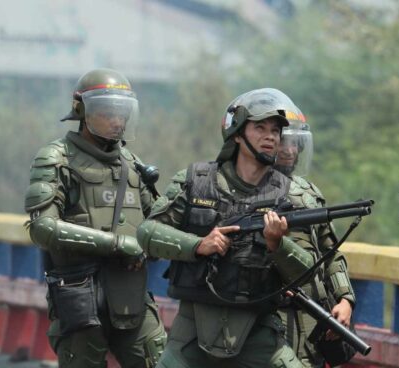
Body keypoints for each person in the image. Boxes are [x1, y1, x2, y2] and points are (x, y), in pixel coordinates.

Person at [136, 88, 320, 367]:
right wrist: (198, 245)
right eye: (260, 128)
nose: (271, 136)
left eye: (275, 130)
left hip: (259, 329)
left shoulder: (290, 194)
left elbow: (308, 271)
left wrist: (277, 245)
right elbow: (147, 233)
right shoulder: (195, 181)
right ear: (236, 133)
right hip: (193, 327)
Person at [24, 68, 167, 368]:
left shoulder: (132, 164)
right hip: (80, 297)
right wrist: (117, 244)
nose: (117, 120)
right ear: (82, 111)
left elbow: (158, 223)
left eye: (122, 112)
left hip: (132, 296)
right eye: (108, 112)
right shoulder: (56, 158)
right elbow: (42, 228)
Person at [273, 98, 356, 367]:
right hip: (269, 317)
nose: (290, 150)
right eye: (284, 141)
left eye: (296, 143)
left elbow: (331, 253)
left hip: (313, 316)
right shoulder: (245, 192)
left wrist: (345, 299)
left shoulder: (308, 192)